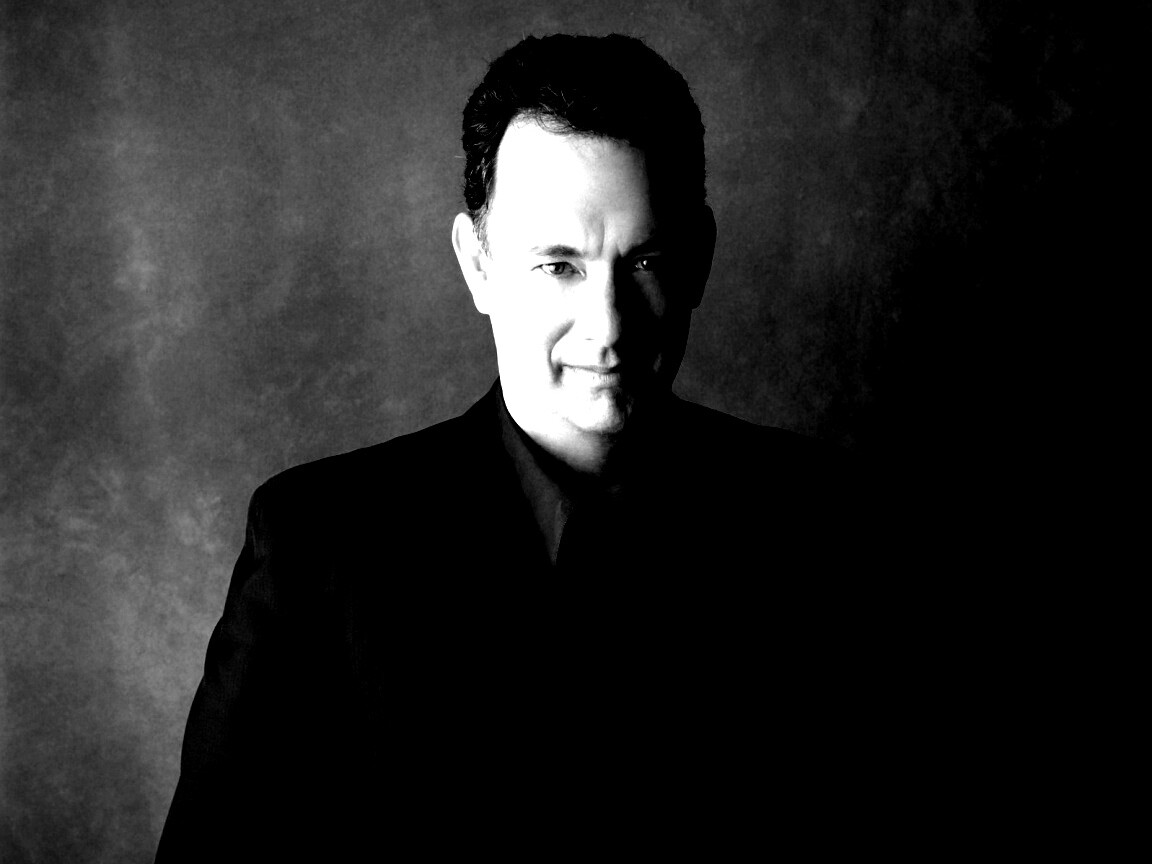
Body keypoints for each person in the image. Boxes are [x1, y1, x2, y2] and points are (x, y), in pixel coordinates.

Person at [156, 34, 893, 861]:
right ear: (478, 267)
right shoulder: (317, 549)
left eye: (644, 260)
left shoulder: (833, 523)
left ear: (698, 262)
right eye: (558, 266)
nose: (608, 327)